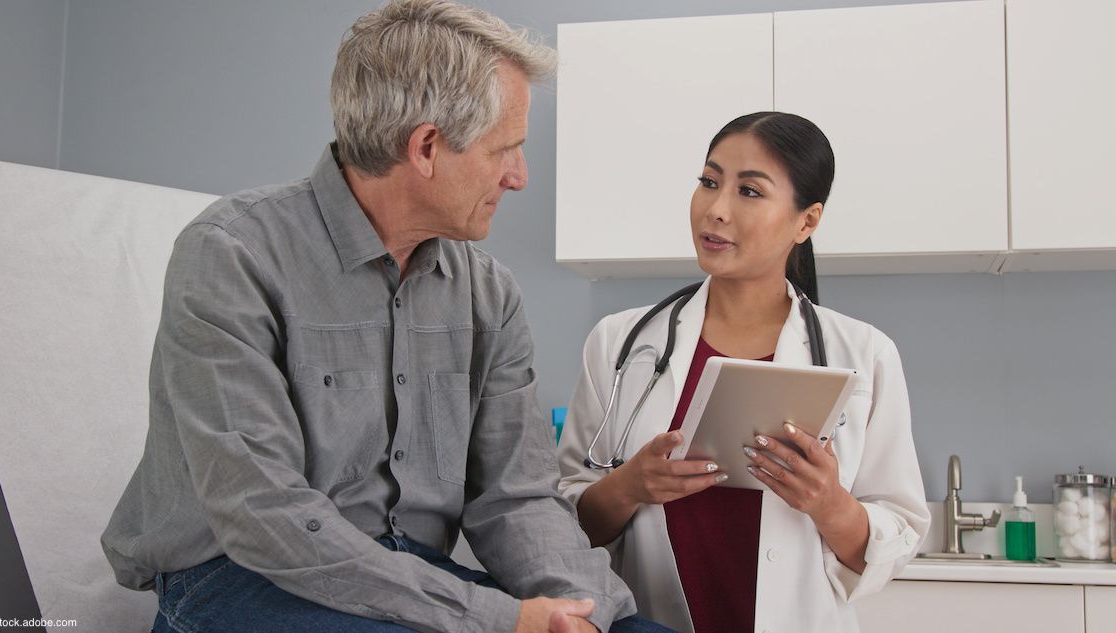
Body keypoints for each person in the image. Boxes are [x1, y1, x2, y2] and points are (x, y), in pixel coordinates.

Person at [101, 2, 668, 632]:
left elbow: (517, 497)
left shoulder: (488, 293)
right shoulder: (231, 254)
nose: (519, 177)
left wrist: (583, 612)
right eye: (505, 149)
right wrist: (497, 619)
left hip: (406, 574)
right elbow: (263, 511)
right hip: (239, 576)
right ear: (426, 147)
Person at [556, 112, 931, 633]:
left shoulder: (864, 354)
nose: (716, 209)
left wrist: (830, 504)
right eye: (709, 183)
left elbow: (897, 535)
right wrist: (630, 486)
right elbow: (563, 523)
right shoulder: (620, 343)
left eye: (749, 192)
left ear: (808, 221)